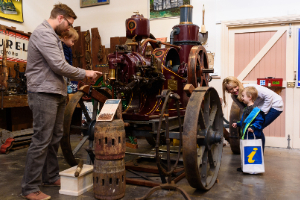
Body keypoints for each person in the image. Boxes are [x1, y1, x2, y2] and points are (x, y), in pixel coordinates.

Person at [21, 3, 101, 200]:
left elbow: (60, 66)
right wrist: (85, 73)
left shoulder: (53, 35)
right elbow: (58, 65)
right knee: (41, 139)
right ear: (60, 17)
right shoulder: (43, 33)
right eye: (68, 24)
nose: (68, 28)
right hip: (43, 93)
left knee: (55, 137)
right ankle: (30, 187)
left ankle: (49, 176)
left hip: (55, 92)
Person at [222, 76, 284, 149]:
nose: (234, 90)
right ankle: (252, 153)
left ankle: (259, 156)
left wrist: (261, 113)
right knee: (251, 127)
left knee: (257, 128)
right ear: (227, 90)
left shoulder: (250, 88)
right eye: (231, 89)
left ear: (238, 84)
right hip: (259, 109)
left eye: (235, 87)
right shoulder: (234, 96)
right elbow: (244, 109)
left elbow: (269, 96)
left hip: (275, 105)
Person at [232, 87, 264, 172]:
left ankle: (253, 168)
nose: (241, 98)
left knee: (251, 151)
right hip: (245, 134)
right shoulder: (246, 109)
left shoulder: (256, 110)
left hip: (251, 134)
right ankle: (245, 167)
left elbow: (259, 121)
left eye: (243, 96)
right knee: (245, 151)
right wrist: (238, 123)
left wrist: (253, 127)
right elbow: (245, 121)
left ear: (249, 97)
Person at [60, 27, 78, 93]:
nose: (73, 44)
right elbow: (65, 61)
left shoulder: (68, 47)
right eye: (72, 41)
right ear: (65, 38)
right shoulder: (63, 46)